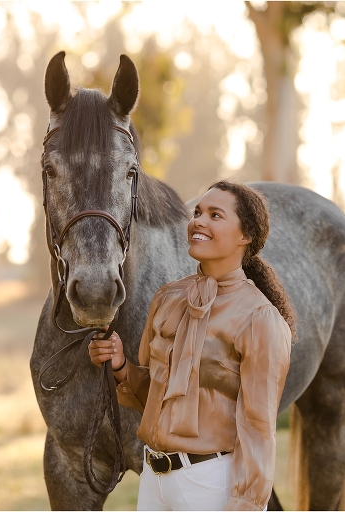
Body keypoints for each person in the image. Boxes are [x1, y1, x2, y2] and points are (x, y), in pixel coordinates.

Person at [88, 180, 295, 511]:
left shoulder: (260, 319)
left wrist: (246, 505)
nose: (199, 221)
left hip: (211, 482)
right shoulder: (168, 298)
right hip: (153, 479)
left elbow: (257, 430)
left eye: (215, 215)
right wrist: (121, 367)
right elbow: (156, 396)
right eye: (197, 212)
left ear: (246, 236)